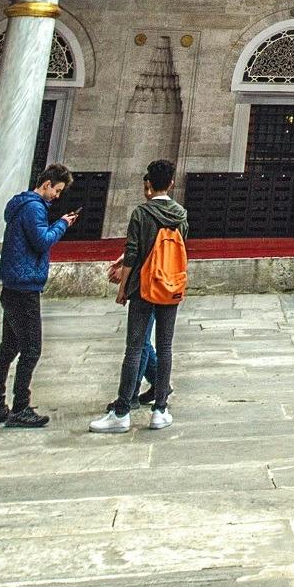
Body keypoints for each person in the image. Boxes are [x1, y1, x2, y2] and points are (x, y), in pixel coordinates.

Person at [91, 158, 187, 434]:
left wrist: (123, 287)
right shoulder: (180, 214)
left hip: (144, 286)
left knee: (135, 347)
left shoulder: (141, 214)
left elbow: (134, 252)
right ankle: (160, 410)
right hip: (169, 285)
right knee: (165, 347)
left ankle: (122, 411)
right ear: (171, 182)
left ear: (149, 184)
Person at [0, 162, 75, 427]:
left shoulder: (20, 205)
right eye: (56, 190)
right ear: (46, 184)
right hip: (24, 288)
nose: (56, 196)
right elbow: (42, 240)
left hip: (13, 285)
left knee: (8, 348)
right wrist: (62, 224)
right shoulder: (34, 207)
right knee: (32, 349)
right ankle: (20, 407)